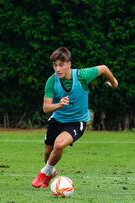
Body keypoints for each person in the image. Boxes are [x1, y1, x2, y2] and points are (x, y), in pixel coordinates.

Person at [31, 47, 118, 188]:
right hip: (57, 120)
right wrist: (59, 105)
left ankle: (43, 173)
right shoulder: (51, 81)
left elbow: (103, 68)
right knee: (48, 152)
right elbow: (46, 108)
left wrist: (114, 83)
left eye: (61, 64)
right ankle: (50, 171)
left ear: (69, 64)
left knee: (59, 145)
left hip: (77, 122)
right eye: (55, 65)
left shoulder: (82, 76)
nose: (57, 69)